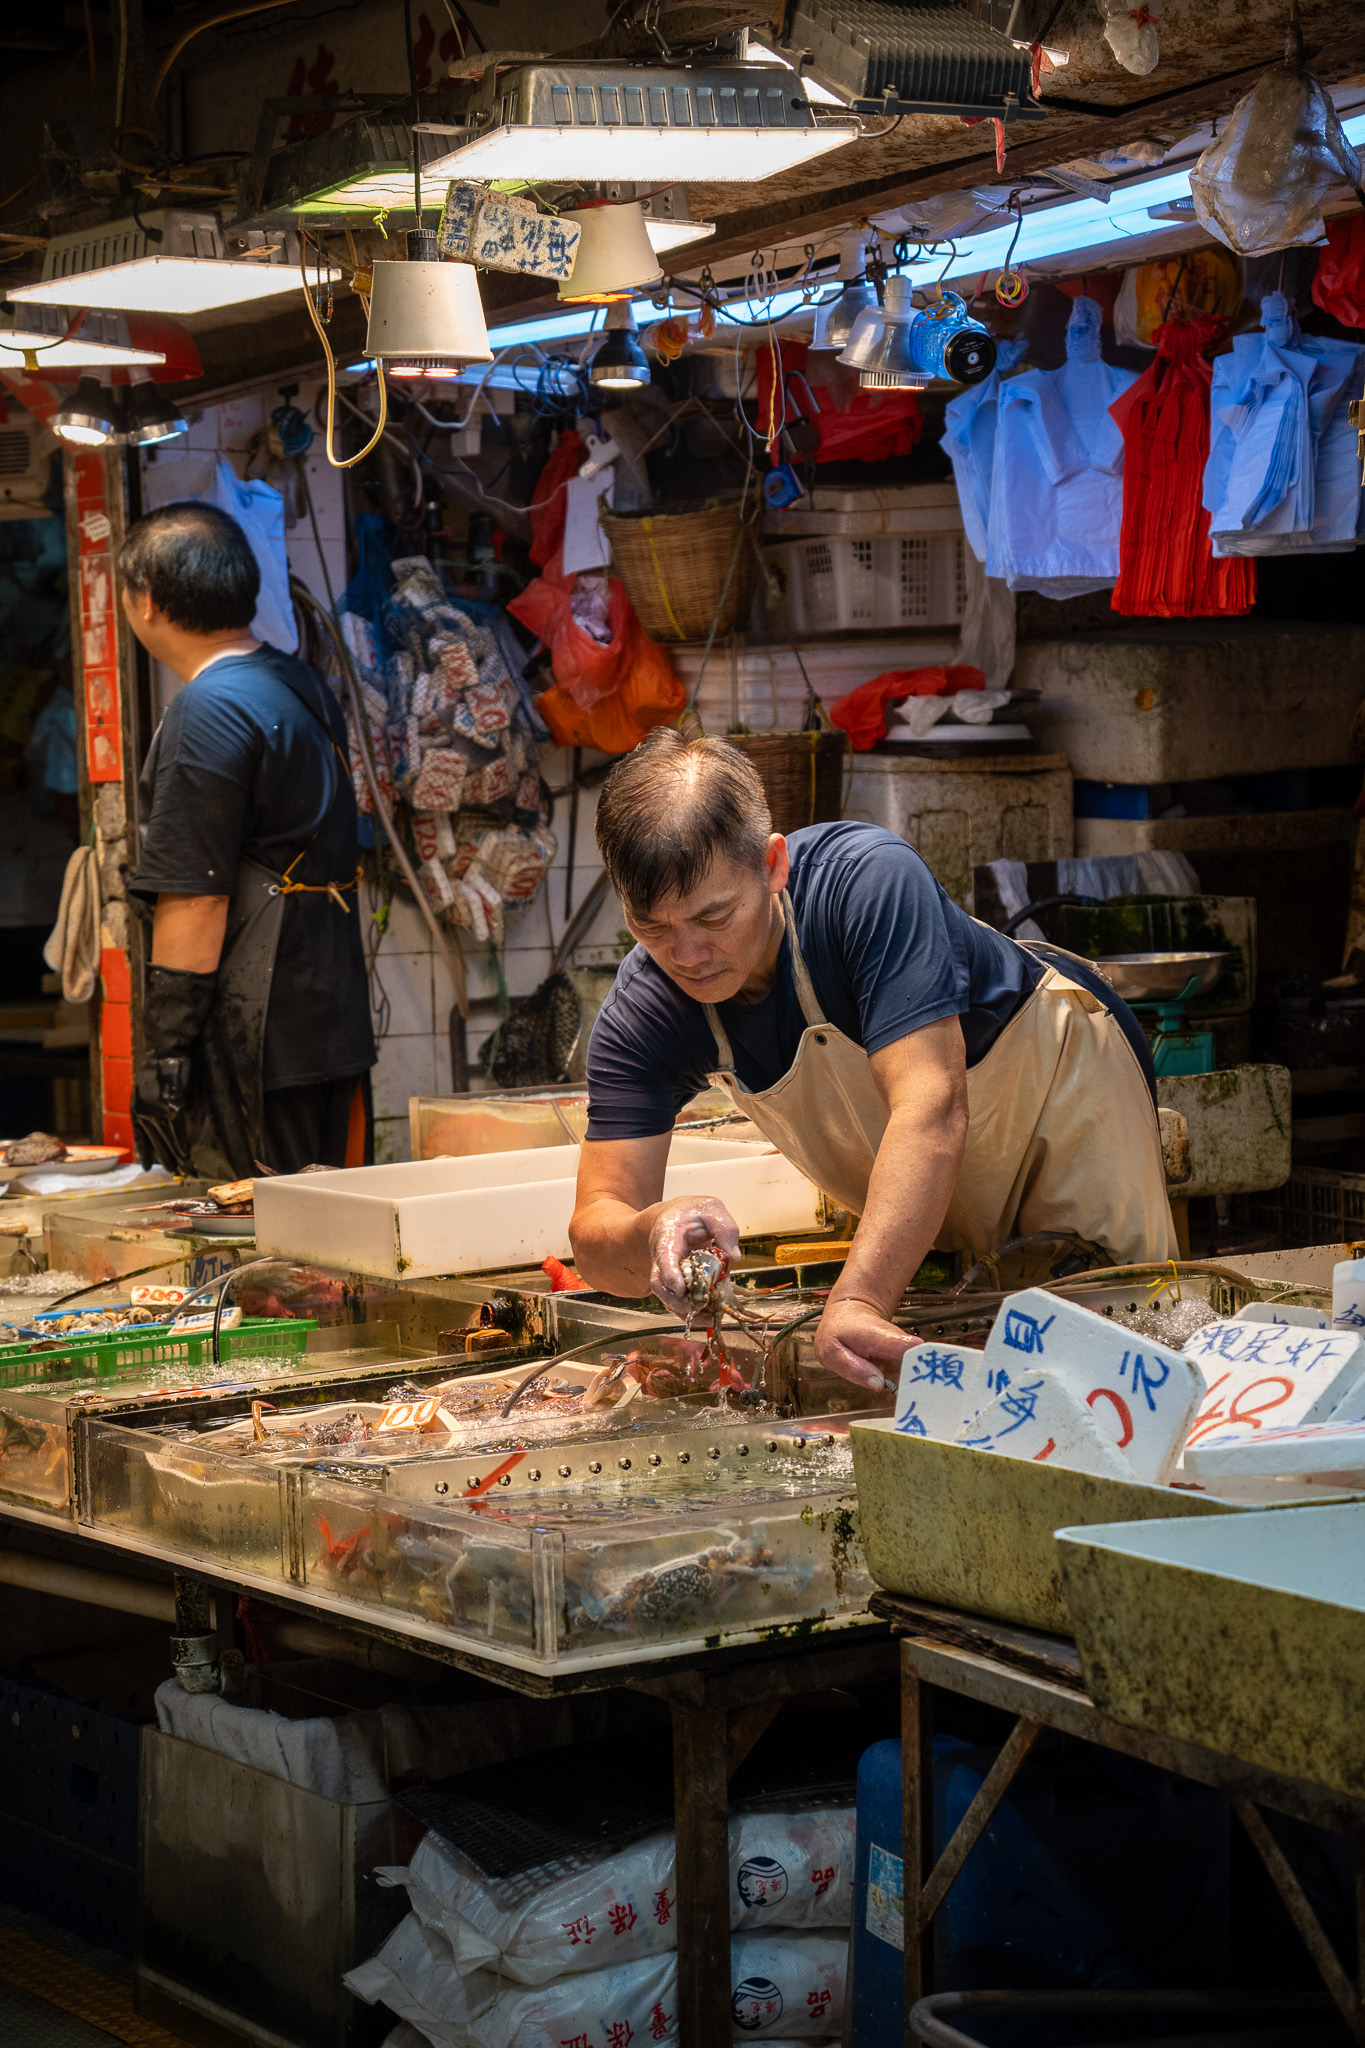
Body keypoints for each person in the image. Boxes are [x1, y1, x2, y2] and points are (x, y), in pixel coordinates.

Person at [569, 729, 1175, 1389]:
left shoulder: (866, 883)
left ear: (773, 865)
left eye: (714, 918)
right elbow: (597, 1226)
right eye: (653, 927)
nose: (687, 956)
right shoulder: (645, 1009)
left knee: (1126, 1352)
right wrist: (647, 1230)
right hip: (943, 1191)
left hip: (1061, 1095)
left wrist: (860, 1298)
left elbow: (930, 1108)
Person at [122, 501, 375, 1178]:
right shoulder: (299, 681)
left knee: (257, 1230)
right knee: (333, 1223)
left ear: (145, 601)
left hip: (257, 1038)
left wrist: (166, 1057)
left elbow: (197, 897)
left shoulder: (207, 709)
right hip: (332, 1018)